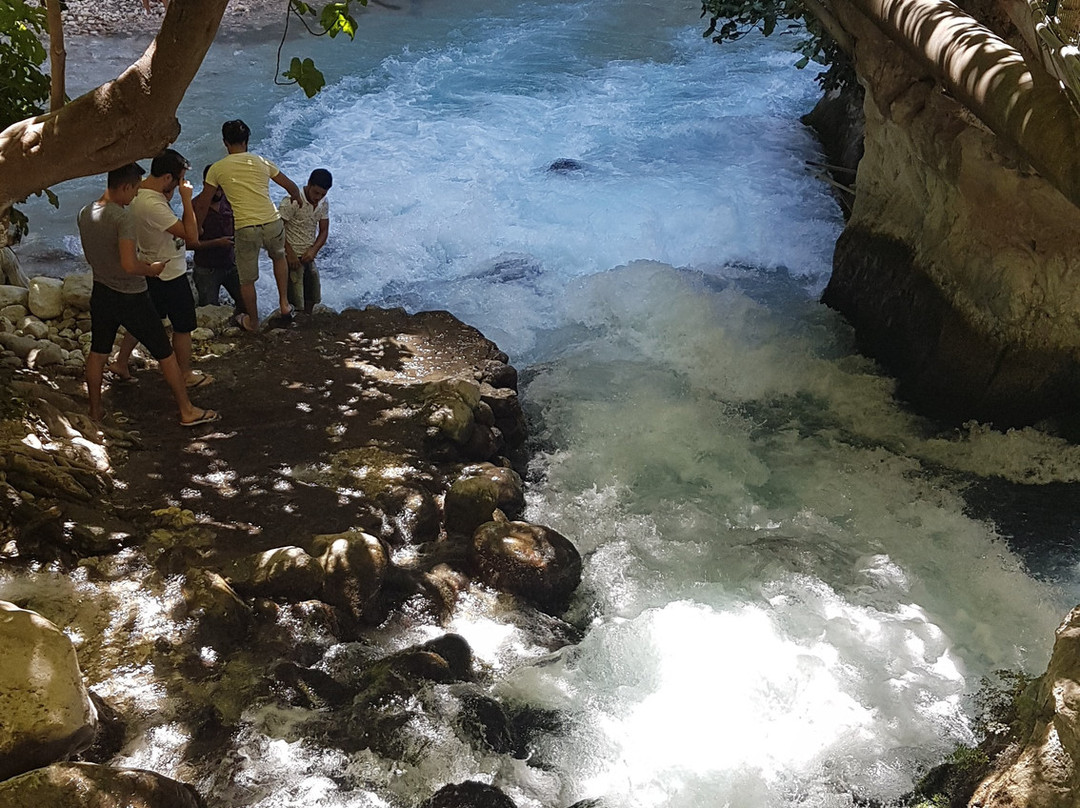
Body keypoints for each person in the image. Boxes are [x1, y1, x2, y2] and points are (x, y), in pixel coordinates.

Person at [78, 163, 218, 428]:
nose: (134, 197)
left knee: (98, 352)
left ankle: (95, 412)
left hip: (101, 290)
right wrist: (151, 269)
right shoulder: (122, 218)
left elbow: (98, 254)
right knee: (165, 354)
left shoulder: (86, 212)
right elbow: (130, 265)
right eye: (134, 190)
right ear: (125, 186)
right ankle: (186, 410)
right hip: (131, 294)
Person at [108, 148, 211, 389]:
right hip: (169, 273)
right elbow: (192, 237)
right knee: (183, 325)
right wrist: (186, 198)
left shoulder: (140, 191)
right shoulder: (153, 205)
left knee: (145, 320)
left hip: (151, 265)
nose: (181, 184)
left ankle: (121, 362)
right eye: (179, 180)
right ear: (167, 178)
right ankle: (185, 373)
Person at [195, 119, 303, 332]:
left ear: (225, 143)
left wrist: (198, 227)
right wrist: (296, 197)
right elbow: (291, 186)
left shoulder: (216, 169)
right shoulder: (262, 161)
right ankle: (284, 304)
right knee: (278, 258)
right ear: (247, 141)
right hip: (272, 221)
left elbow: (203, 203)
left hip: (246, 228)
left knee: (247, 279)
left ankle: (253, 322)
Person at [279, 168, 332, 314]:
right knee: (295, 299)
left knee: (313, 296)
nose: (318, 197)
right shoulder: (293, 201)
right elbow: (277, 229)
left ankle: (308, 324)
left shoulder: (323, 203)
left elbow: (324, 231)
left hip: (308, 255)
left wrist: (314, 250)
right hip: (290, 257)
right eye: (316, 193)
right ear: (309, 184)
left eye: (323, 194)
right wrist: (289, 253)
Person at [191, 164, 241, 308]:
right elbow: (189, 243)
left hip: (231, 263)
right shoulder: (194, 207)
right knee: (209, 310)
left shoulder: (230, 200)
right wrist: (217, 243)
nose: (219, 191)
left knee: (246, 303)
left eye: (221, 186)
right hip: (206, 269)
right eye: (215, 187)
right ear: (205, 185)